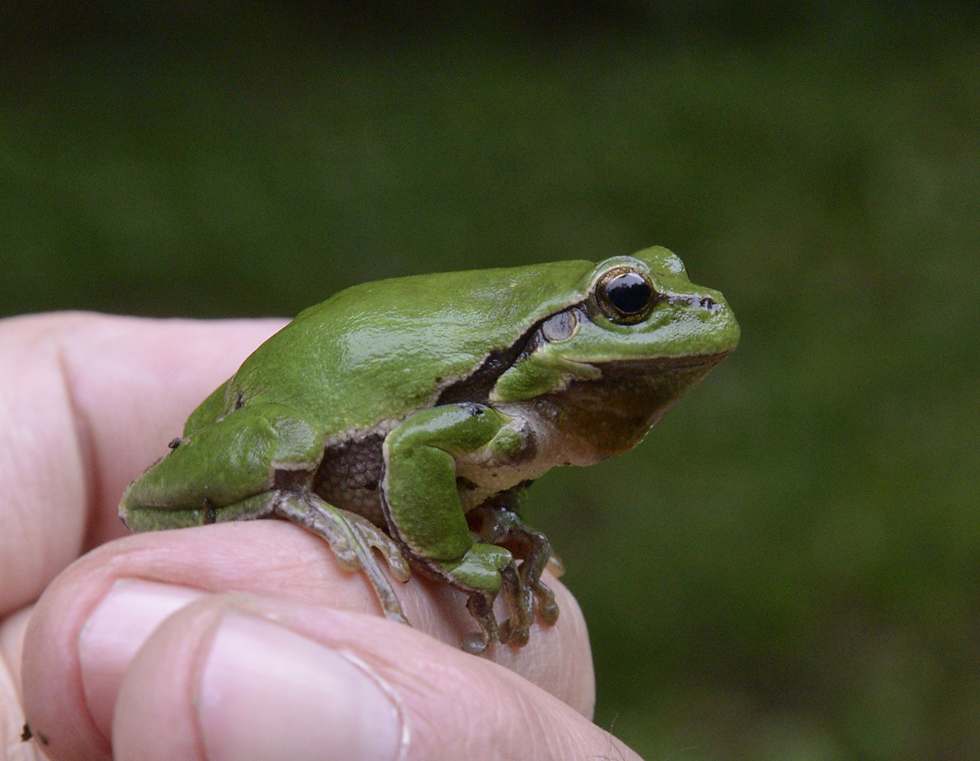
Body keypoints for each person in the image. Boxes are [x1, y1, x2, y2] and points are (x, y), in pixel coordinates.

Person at [0, 312, 641, 761]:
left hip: (378, 412)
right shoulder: (490, 413)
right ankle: (284, 496)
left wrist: (492, 520)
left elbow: (460, 457)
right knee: (293, 444)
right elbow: (414, 446)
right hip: (297, 438)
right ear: (562, 326)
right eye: (631, 303)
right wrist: (454, 554)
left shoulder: (502, 416)